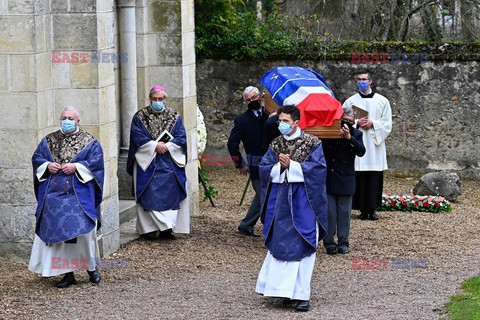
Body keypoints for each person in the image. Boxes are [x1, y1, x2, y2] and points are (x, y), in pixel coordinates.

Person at [255, 105, 328, 312]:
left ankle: (302, 294)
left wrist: (293, 166)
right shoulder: (275, 144)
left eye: (286, 121)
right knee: (280, 242)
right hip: (280, 202)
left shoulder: (313, 143)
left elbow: (319, 170)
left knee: (304, 243)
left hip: (304, 201)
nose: (282, 125)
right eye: (280, 121)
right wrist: (279, 166)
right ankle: (284, 291)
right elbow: (264, 169)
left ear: (297, 122)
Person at [29, 106, 104, 288]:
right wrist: (47, 165)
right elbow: (37, 158)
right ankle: (67, 273)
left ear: (78, 121)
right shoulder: (49, 140)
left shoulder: (90, 142)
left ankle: (91, 269)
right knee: (58, 236)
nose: (67, 121)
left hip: (78, 194)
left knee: (85, 233)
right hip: (54, 194)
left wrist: (77, 167)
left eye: (70, 118)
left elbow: (96, 163)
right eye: (64, 118)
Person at [127, 85, 188, 240]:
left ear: (165, 99)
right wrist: (155, 146)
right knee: (149, 193)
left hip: (169, 162)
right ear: (150, 99)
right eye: (154, 99)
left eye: (160, 99)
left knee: (170, 194)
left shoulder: (174, 115)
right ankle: (148, 229)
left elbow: (181, 136)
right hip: (147, 163)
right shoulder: (140, 116)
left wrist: (167, 146)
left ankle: (167, 229)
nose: (157, 102)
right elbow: (137, 137)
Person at [342, 70, 392, 221]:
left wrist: (373, 123)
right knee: (359, 175)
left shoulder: (382, 101)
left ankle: (372, 208)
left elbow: (387, 123)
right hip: (358, 141)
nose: (361, 82)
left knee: (373, 176)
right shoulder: (350, 101)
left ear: (370, 81)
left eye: (364, 79)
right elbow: (343, 120)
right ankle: (361, 209)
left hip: (374, 143)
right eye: (359, 79)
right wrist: (357, 123)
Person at [322, 106, 365, 255]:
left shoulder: (356, 134)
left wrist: (349, 138)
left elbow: (361, 151)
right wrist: (334, 135)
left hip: (346, 178)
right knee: (330, 212)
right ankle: (328, 242)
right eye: (344, 120)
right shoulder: (330, 132)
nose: (347, 123)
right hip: (330, 177)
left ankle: (343, 241)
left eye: (350, 121)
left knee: (344, 212)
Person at [227, 86, 269, 237]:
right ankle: (271, 229)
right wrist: (240, 163)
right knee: (266, 197)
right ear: (245, 102)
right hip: (256, 166)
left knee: (262, 196)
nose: (252, 101)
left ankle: (246, 225)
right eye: (249, 99)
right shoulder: (242, 120)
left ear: (260, 97)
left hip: (275, 163)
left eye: (254, 98)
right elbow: (232, 144)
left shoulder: (271, 114)